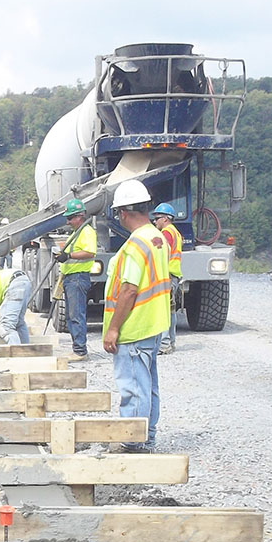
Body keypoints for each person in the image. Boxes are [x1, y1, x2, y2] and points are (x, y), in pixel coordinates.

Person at [101, 179, 172, 452]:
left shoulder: (135, 245)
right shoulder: (157, 238)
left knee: (133, 388)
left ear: (123, 213)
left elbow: (129, 289)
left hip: (135, 327)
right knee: (148, 386)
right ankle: (147, 437)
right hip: (153, 324)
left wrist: (113, 329)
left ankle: (133, 442)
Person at [53, 197, 97, 361]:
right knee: (71, 316)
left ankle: (80, 351)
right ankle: (77, 348)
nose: (68, 221)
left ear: (80, 216)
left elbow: (90, 252)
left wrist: (68, 255)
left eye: (70, 218)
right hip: (71, 278)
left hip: (77, 278)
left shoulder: (86, 232)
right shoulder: (76, 233)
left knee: (76, 315)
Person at [151, 203, 182, 354]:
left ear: (165, 219)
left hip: (167, 275)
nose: (154, 221)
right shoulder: (175, 232)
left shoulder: (167, 233)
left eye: (157, 218)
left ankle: (164, 344)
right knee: (171, 310)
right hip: (173, 274)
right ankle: (171, 342)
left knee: (163, 310)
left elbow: (161, 252)